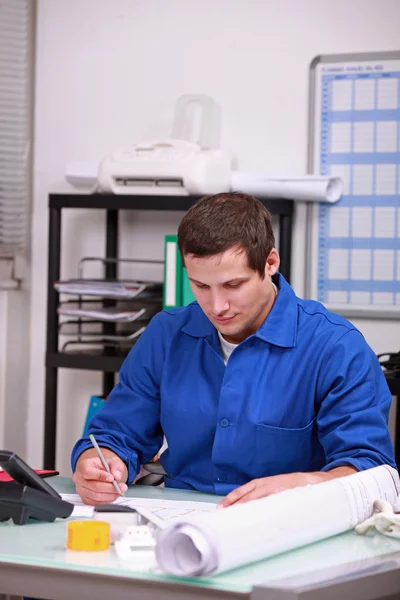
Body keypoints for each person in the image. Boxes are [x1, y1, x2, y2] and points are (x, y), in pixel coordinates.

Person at [71, 192, 396, 507]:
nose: (217, 306)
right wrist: (99, 465)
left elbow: (369, 471)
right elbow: (116, 434)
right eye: (200, 286)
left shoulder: (336, 347)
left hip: (293, 527)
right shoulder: (166, 333)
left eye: (233, 285)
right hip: (181, 525)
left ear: (270, 263)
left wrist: (298, 487)